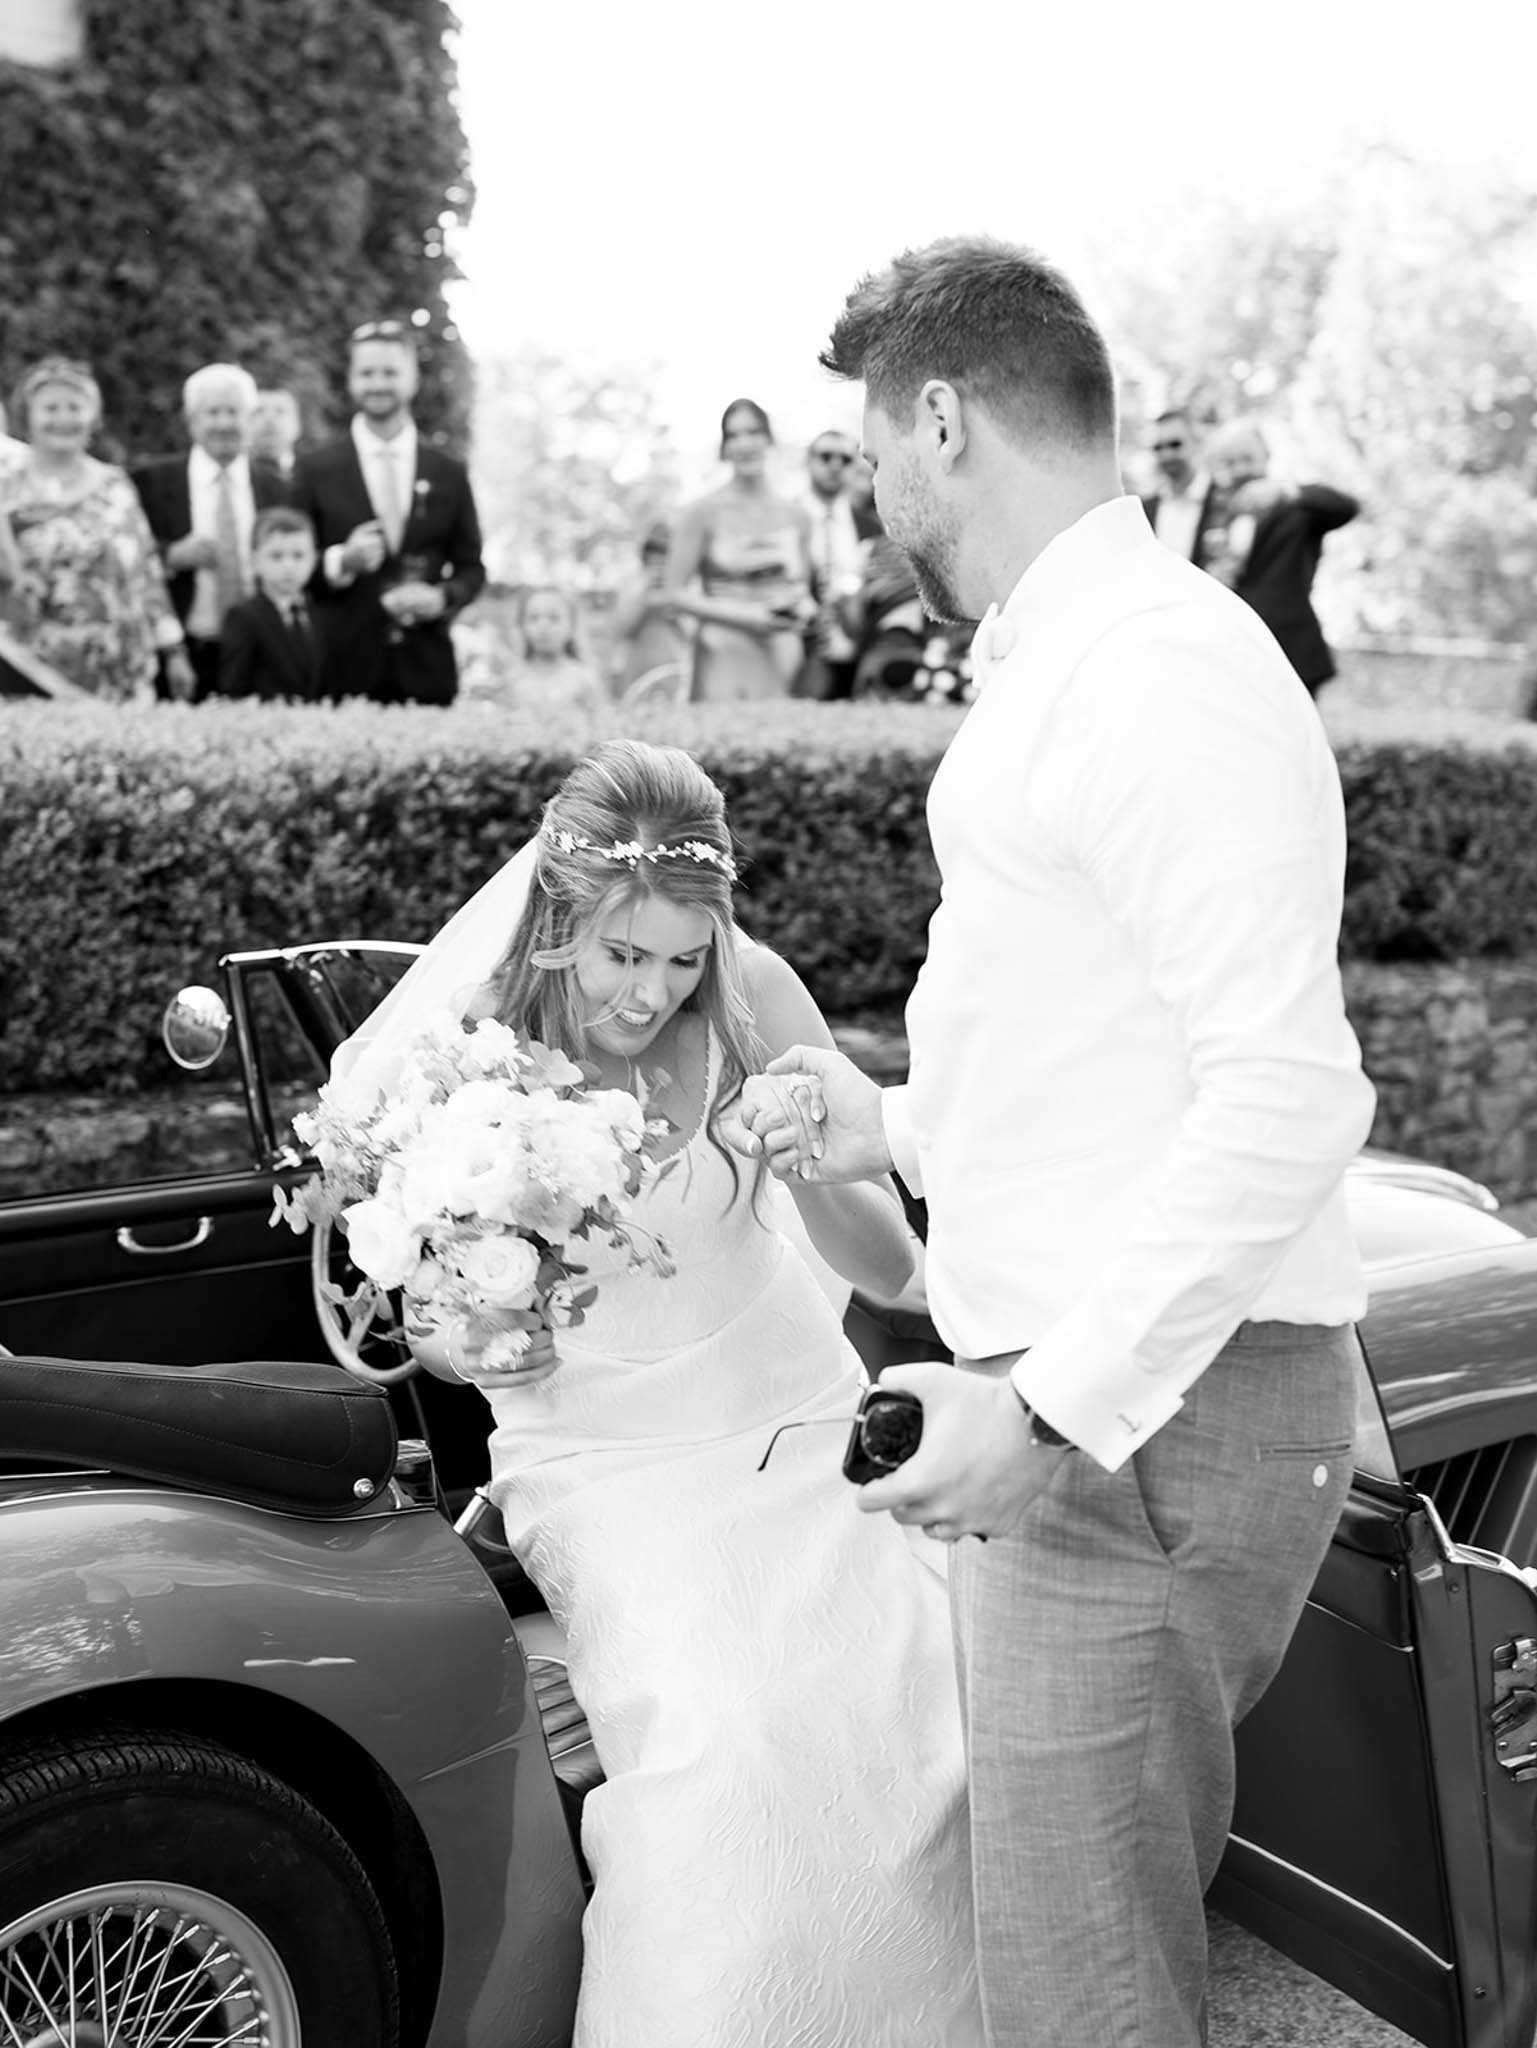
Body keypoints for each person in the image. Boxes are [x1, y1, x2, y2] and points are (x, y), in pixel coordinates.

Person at [733, 236, 1377, 2048]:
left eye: (868, 459)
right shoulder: (1081, 661)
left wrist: (1046, 1406)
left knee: (1080, 1988)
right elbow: (1099, 1067)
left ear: (941, 416)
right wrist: (886, 1119)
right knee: (1064, 1948)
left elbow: (1285, 1094)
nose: (867, 510)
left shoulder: (1158, 668)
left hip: (1141, 1425)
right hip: (1114, 1411)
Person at [330, 739, 983, 2048]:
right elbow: (433, 1319)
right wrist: (479, 1349)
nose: (651, 992)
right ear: (560, 915)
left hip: (794, 1409)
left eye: (683, 958)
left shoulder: (755, 1004)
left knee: (933, 1694)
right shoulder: (478, 1057)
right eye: (626, 956)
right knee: (725, 1746)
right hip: (604, 1455)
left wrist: (802, 1160)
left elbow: (894, 1271)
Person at [292, 319, 485, 706]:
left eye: (390, 372)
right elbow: (290, 569)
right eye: (367, 373)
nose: (378, 383)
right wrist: (339, 562)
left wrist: (441, 597)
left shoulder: (447, 470)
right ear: (350, 379)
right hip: (340, 671)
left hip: (426, 674)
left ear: (412, 379)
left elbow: (472, 569)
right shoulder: (314, 469)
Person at [0, 356, 194, 701]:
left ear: (94, 417)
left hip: (116, 669)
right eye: (51, 408)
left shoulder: (115, 485)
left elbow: (146, 572)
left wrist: (174, 650)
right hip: (24, 668)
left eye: (75, 407)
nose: (63, 418)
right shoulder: (7, 485)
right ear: (27, 417)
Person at [132, 362, 290, 701]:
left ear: (250, 418)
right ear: (192, 421)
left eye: (233, 412)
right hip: (180, 654)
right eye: (212, 412)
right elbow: (127, 555)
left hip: (260, 656)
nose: (223, 423)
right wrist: (170, 556)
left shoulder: (279, 488)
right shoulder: (149, 483)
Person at [662, 398, 815, 701]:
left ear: (769, 439)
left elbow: (802, 589)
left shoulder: (798, 516)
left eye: (753, 432)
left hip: (783, 653)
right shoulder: (701, 512)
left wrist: (804, 610)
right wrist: (750, 617)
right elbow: (673, 592)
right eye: (734, 435)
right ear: (724, 448)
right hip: (722, 653)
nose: (744, 443)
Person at [1205, 418, 1361, 698]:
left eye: (1247, 459)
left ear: (1266, 456)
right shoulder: (1215, 515)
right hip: (1233, 658)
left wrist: (1287, 492)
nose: (1241, 470)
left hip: (1290, 652)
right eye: (1230, 462)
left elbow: (1346, 507)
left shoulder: (1295, 507)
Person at [218, 506, 329, 701]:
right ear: (255, 561)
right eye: (276, 556)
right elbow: (233, 686)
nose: (289, 566)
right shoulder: (244, 617)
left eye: (298, 555)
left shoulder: (318, 613)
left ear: (314, 559)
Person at [796, 428, 866, 699]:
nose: (835, 466)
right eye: (826, 457)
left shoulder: (870, 526)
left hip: (852, 662)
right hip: (797, 656)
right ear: (809, 460)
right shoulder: (787, 518)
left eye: (845, 460)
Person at [472, 584, 606, 719]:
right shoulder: (513, 677)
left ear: (572, 626)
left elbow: (602, 722)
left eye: (554, 618)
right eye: (534, 618)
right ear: (522, 625)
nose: (543, 626)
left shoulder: (583, 678)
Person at [607, 521, 690, 695]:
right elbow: (621, 630)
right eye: (654, 561)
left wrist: (674, 605)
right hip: (637, 665)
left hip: (674, 664)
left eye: (664, 560)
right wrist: (642, 598)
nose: (659, 567)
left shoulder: (684, 588)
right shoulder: (631, 586)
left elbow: (690, 633)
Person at [1140, 405, 1220, 567]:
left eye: (1175, 444)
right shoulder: (1144, 511)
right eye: (1158, 448)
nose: (1166, 454)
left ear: (1197, 442)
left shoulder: (1225, 499)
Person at [251, 385, 305, 482]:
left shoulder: (314, 475)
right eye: (259, 411)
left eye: (280, 411)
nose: (269, 420)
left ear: (297, 424)